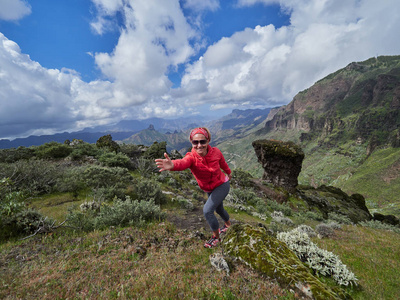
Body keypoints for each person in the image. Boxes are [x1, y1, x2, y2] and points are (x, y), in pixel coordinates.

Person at [155, 127, 232, 248]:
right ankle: (228, 225)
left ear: (208, 141)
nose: (199, 145)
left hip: (222, 184)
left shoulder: (216, 152)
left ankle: (216, 237)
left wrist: (229, 172)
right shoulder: (191, 157)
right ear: (191, 142)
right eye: (195, 142)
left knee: (207, 210)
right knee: (218, 209)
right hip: (209, 189)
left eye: (203, 141)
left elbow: (223, 163)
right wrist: (173, 165)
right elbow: (182, 163)